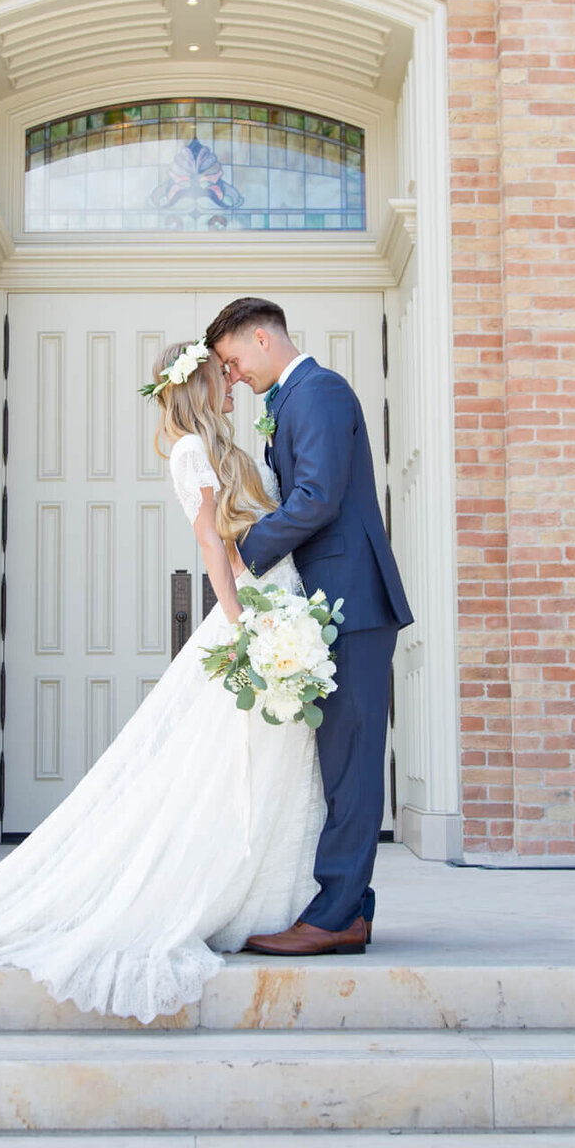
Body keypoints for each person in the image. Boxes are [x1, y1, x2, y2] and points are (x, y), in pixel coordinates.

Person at [0, 338, 325, 1024]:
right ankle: (230, 898)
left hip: (282, 602)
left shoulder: (228, 445)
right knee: (232, 766)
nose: (232, 382)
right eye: (221, 375)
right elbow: (212, 547)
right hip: (254, 616)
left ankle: (275, 900)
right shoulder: (188, 452)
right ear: (197, 384)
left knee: (275, 763)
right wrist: (243, 628)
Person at [206, 297, 412, 957]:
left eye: (234, 361)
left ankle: (337, 916)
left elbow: (318, 495)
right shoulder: (291, 402)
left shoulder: (319, 392)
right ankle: (349, 905)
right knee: (334, 765)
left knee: (349, 766)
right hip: (326, 603)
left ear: (263, 339)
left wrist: (245, 554)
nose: (233, 376)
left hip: (352, 601)